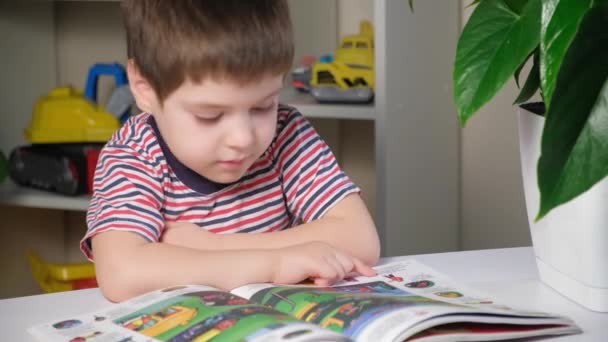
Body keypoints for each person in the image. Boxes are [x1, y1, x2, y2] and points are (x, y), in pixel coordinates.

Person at [82, 0, 380, 302]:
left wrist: (215, 246)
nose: (242, 138)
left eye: (263, 106)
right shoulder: (134, 155)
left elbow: (360, 238)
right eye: (210, 116)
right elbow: (121, 273)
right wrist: (276, 263)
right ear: (145, 87)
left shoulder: (286, 133)